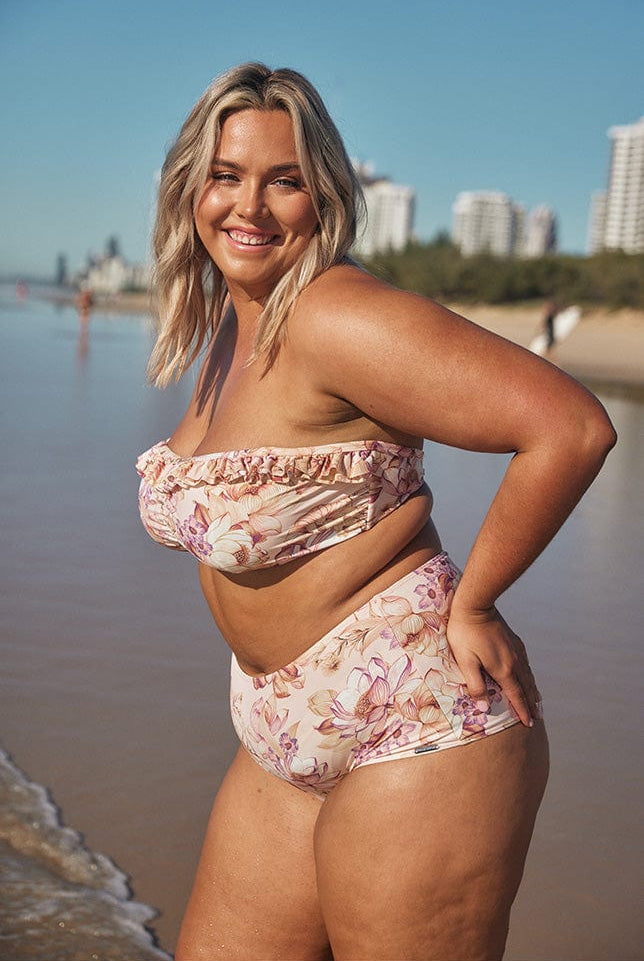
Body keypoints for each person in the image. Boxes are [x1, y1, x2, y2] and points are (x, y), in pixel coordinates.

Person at [136, 63, 616, 961]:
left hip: (418, 722)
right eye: (226, 174)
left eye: (285, 180)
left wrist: (475, 601)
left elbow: (569, 427)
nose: (251, 205)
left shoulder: (337, 315)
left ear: (326, 196)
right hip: (278, 725)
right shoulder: (232, 326)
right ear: (189, 187)